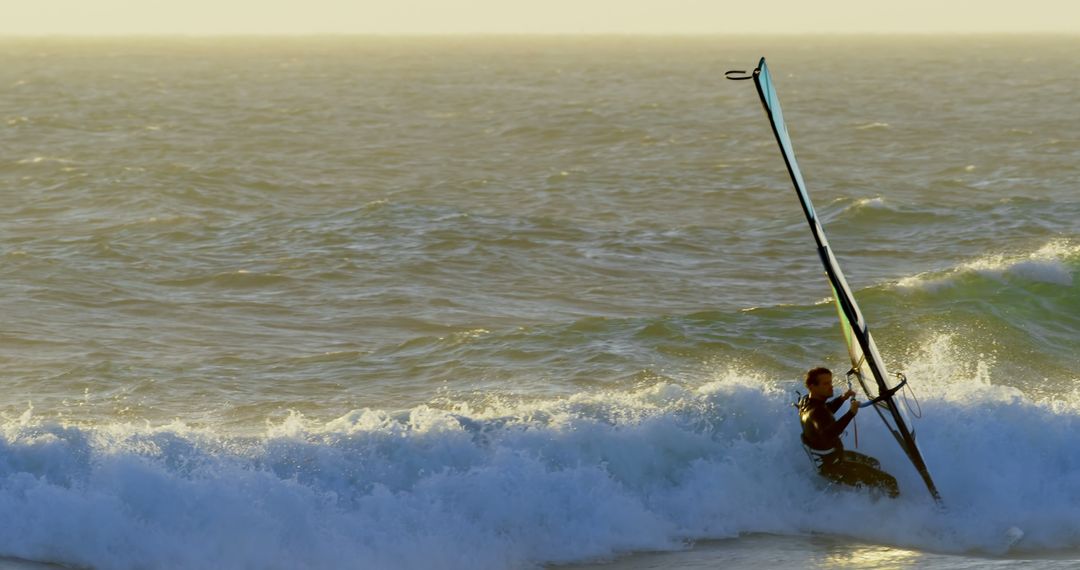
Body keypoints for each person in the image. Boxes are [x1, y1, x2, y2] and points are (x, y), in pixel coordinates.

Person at [798, 366, 900, 498]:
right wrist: (851, 413)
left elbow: (825, 412)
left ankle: (873, 494)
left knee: (874, 463)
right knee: (890, 482)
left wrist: (843, 398)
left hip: (830, 459)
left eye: (831, 382)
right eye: (826, 383)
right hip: (835, 467)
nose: (831, 386)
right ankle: (889, 511)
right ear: (812, 386)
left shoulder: (807, 401)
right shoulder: (816, 413)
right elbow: (828, 433)